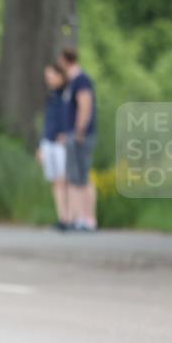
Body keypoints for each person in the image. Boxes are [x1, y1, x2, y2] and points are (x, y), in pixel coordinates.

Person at [58, 48, 97, 231]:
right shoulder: (71, 82)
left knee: (82, 177)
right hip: (72, 135)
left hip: (80, 136)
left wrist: (79, 130)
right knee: (75, 177)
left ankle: (87, 219)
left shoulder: (81, 80)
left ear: (66, 60)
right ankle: (78, 217)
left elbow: (85, 105)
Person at [36, 63, 70, 230]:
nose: (48, 80)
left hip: (61, 143)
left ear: (60, 76)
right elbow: (48, 123)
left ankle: (71, 217)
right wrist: (41, 146)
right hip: (48, 142)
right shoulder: (52, 96)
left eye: (51, 76)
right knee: (56, 181)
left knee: (65, 180)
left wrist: (67, 133)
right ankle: (62, 217)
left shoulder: (67, 95)